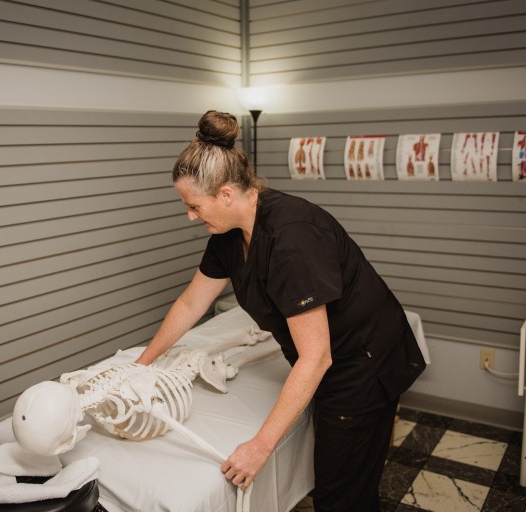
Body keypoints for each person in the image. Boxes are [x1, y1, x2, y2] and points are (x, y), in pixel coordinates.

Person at [135, 110, 426, 511]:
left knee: (341, 494)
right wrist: (142, 365)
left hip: (363, 363)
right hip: (333, 356)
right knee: (341, 478)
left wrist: (260, 446)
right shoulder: (227, 236)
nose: (190, 216)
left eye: (194, 206)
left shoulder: (293, 238)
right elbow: (191, 303)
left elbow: (316, 356)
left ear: (225, 195)